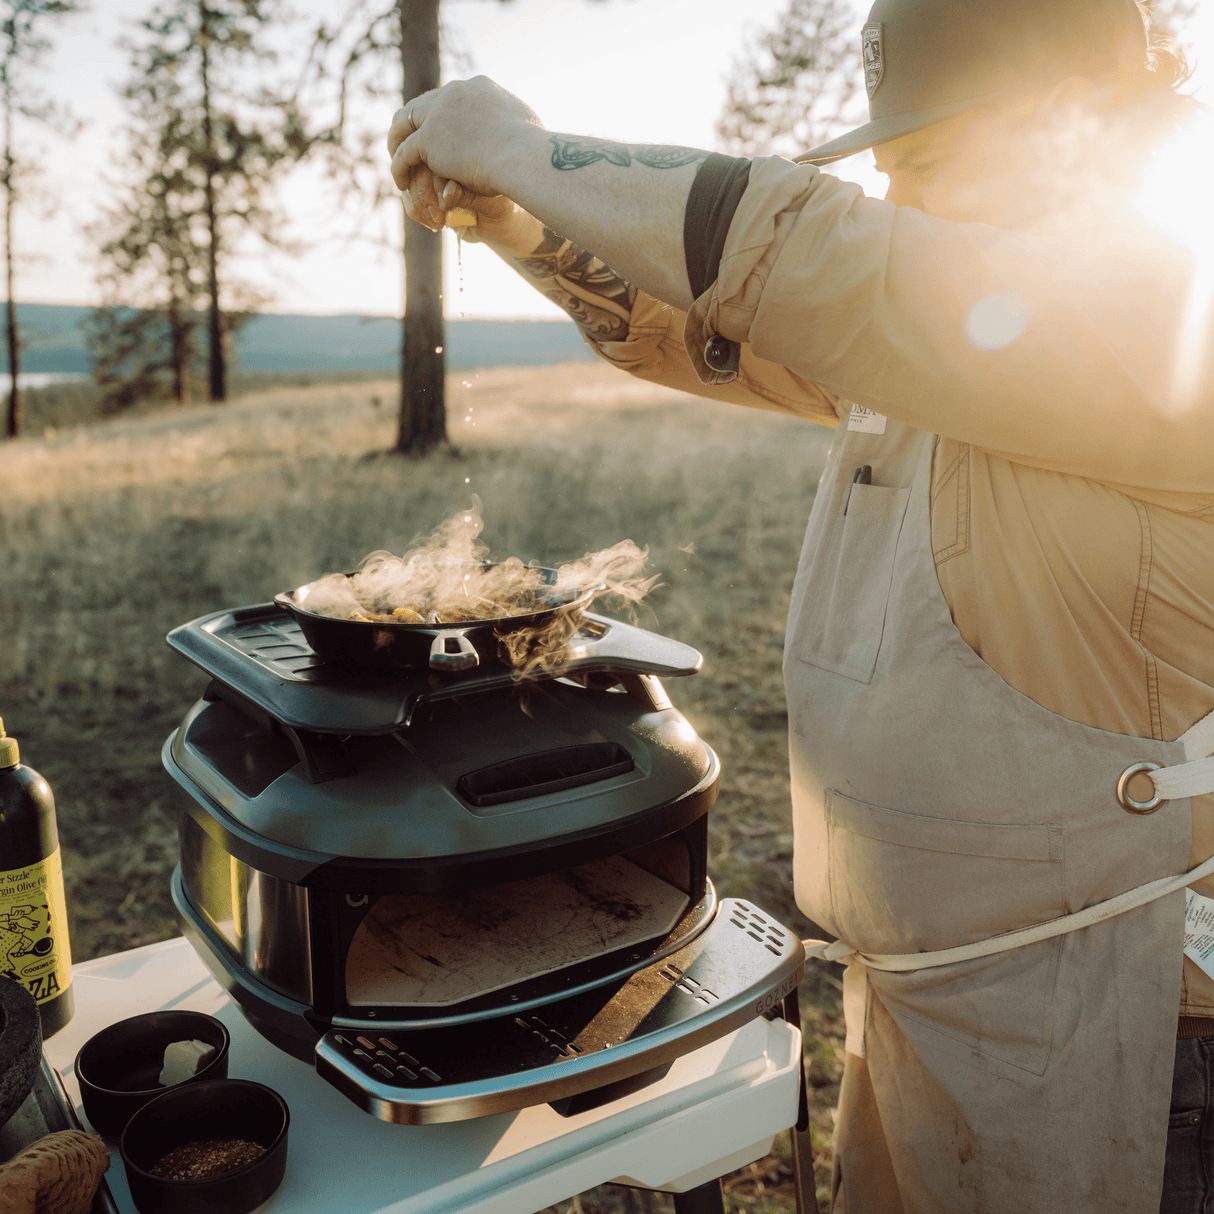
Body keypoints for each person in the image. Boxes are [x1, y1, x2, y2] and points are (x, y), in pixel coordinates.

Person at [386, 1, 1214, 1210]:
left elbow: (815, 257)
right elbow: (693, 323)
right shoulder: (945, 337)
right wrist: (515, 216)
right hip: (938, 998)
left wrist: (520, 146)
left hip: (1132, 1039)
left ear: (1069, 121)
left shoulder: (1159, 311)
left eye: (927, 150)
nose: (891, 184)